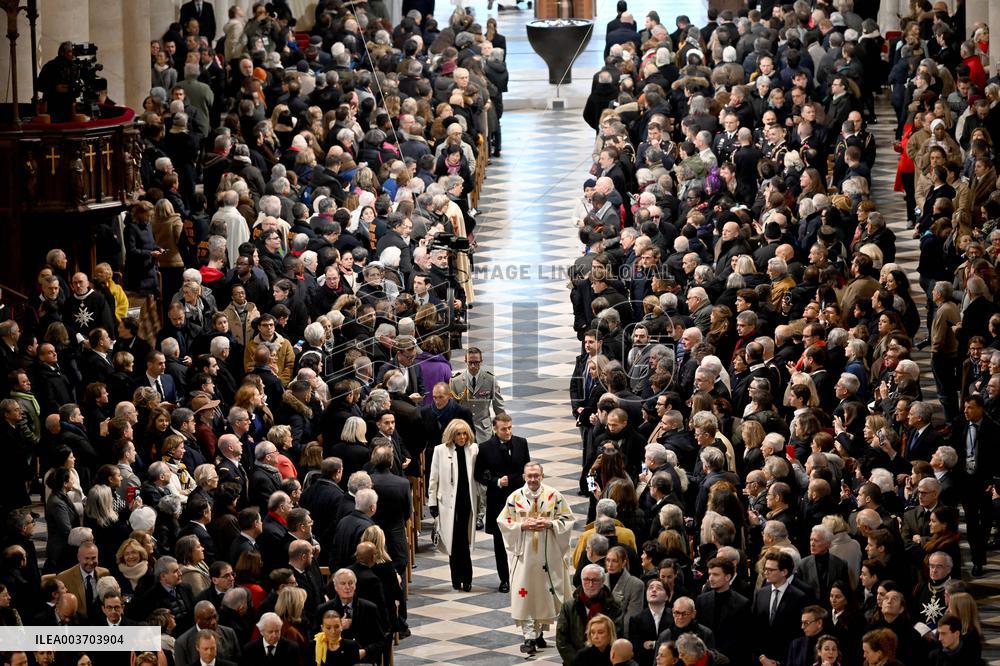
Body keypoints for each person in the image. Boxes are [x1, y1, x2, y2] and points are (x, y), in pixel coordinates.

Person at [498, 462, 575, 655]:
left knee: (544, 593)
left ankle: (538, 633)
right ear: (524, 476)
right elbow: (503, 521)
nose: (533, 479)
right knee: (524, 593)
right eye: (529, 476)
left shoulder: (554, 496)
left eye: (536, 476)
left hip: (548, 555)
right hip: (524, 556)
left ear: (542, 476)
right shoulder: (515, 497)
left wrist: (549, 523)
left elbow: (567, 519)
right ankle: (529, 637)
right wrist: (521, 526)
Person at [473, 413, 530, 592]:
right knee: (499, 542)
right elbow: (479, 474)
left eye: (510, 427)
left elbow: (526, 470)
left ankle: (520, 575)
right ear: (495, 429)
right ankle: (504, 579)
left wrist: (514, 480)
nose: (508, 432)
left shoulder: (521, 443)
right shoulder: (485, 448)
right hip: (497, 501)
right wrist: (496, 481)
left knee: (521, 540)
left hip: (519, 499)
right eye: (504, 429)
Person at [428, 419, 478, 591]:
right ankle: (456, 577)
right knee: (453, 540)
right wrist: (432, 502)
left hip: (466, 501)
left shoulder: (473, 450)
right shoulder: (440, 451)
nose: (462, 437)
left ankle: (467, 577)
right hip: (447, 503)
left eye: (464, 433)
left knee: (463, 540)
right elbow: (433, 478)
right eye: (458, 434)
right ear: (452, 435)